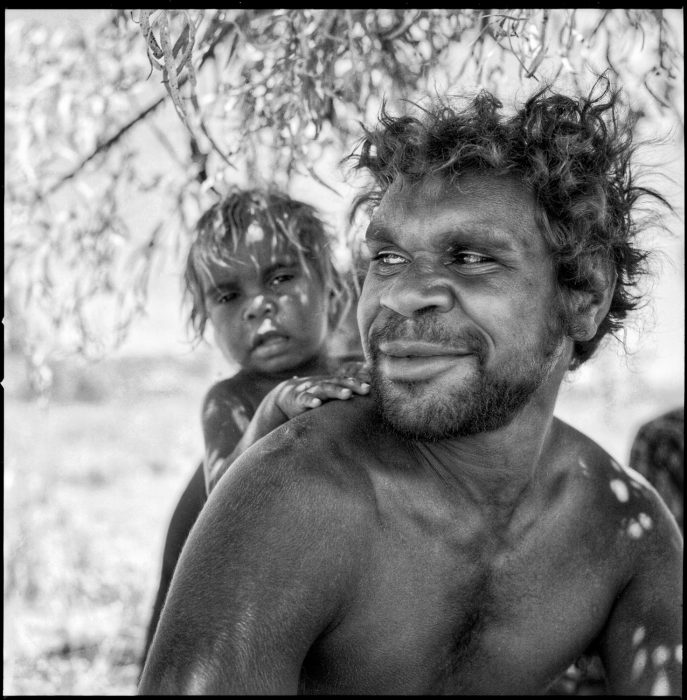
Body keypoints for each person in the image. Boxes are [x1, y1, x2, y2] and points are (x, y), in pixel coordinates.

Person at [138, 78, 683, 695]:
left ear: (584, 296)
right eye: (388, 259)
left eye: (472, 258)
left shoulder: (623, 532)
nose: (399, 293)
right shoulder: (302, 492)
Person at [139, 187, 368, 672]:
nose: (258, 305)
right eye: (228, 294)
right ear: (206, 319)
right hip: (235, 608)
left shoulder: (356, 375)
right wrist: (271, 413)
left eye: (281, 277)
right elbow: (225, 498)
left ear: (332, 288)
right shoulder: (231, 401)